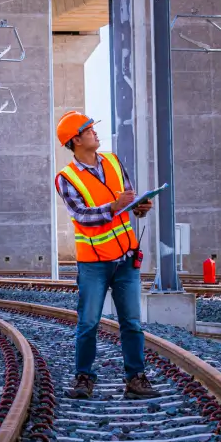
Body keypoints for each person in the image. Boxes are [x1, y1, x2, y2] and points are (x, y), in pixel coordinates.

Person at [55, 110, 160, 400]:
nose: (95, 132)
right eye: (89, 130)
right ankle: (83, 379)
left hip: (125, 258)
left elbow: (127, 201)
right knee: (88, 323)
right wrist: (114, 206)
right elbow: (82, 215)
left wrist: (139, 207)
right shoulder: (66, 178)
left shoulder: (113, 161)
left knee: (132, 323)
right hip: (94, 263)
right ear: (76, 140)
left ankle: (135, 378)